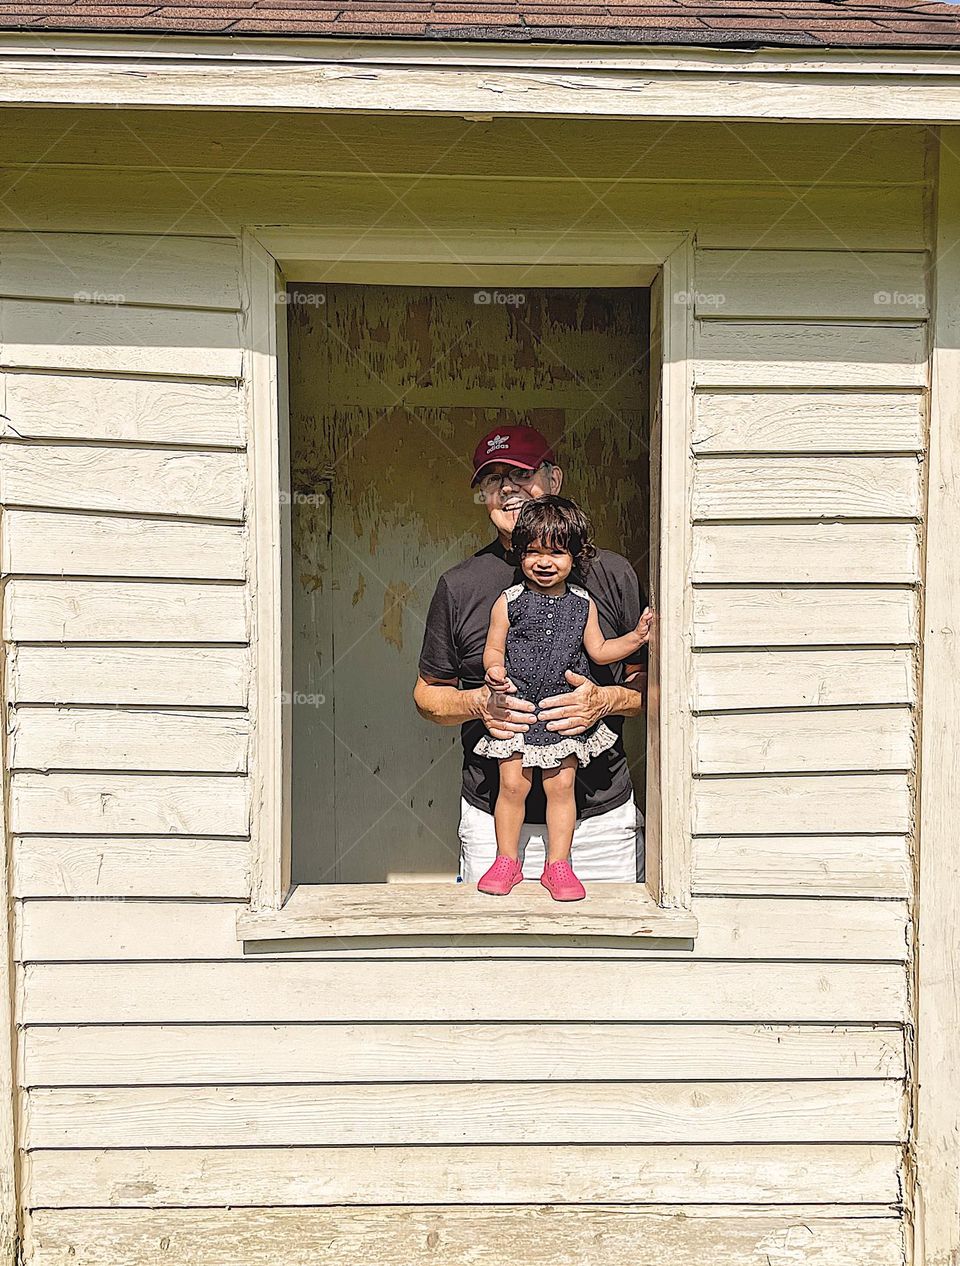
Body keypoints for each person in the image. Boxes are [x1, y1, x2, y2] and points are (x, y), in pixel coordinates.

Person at [413, 423, 651, 887]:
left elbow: (652, 689)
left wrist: (607, 700)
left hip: (599, 818)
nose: (507, 488)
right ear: (482, 494)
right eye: (492, 478)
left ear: (554, 481)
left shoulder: (612, 575)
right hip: (493, 819)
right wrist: (479, 702)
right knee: (492, 954)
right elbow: (427, 697)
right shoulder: (460, 586)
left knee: (606, 951)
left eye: (521, 474)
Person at [473, 495, 653, 901]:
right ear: (519, 554)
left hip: (563, 714)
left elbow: (600, 651)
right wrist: (494, 671)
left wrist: (636, 638)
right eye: (533, 551)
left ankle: (558, 865)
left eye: (556, 551)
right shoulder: (508, 602)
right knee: (512, 785)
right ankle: (506, 861)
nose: (544, 561)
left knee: (561, 786)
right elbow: (493, 648)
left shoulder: (584, 603)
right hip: (517, 713)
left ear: (575, 554)